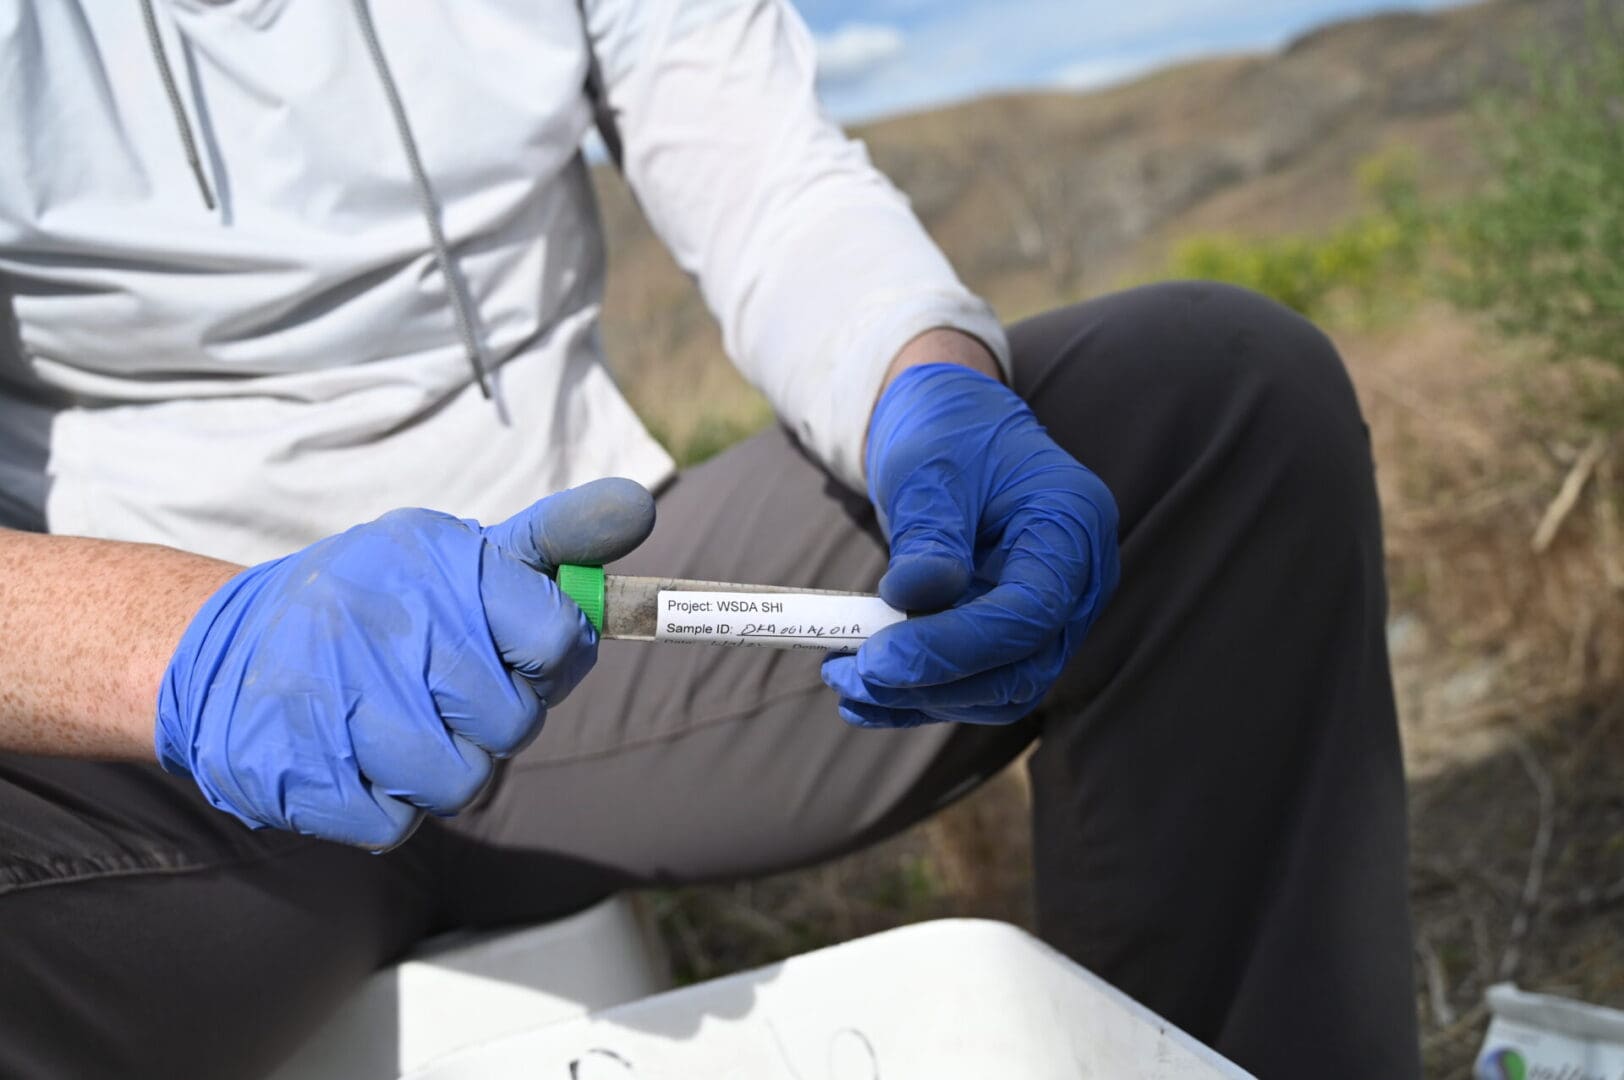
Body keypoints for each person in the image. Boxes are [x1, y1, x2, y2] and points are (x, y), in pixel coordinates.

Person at [0, 1, 1421, 1075]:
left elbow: (765, 175)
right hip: (158, 751)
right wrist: (189, 652)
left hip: (584, 629)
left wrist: (929, 393)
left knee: (1215, 405)